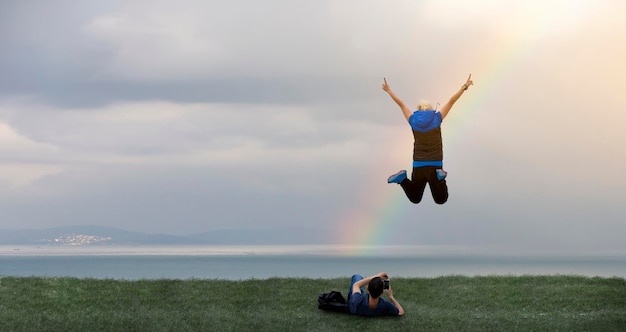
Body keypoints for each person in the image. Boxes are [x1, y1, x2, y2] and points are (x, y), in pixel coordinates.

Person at [382, 74, 473, 204]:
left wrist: (389, 90)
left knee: (415, 198)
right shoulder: (436, 118)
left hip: (418, 164)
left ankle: (402, 179)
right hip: (435, 165)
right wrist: (464, 87)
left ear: (418, 109)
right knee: (441, 199)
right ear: (431, 109)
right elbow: (451, 101)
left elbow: (401, 104)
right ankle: (440, 178)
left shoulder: (413, 120)